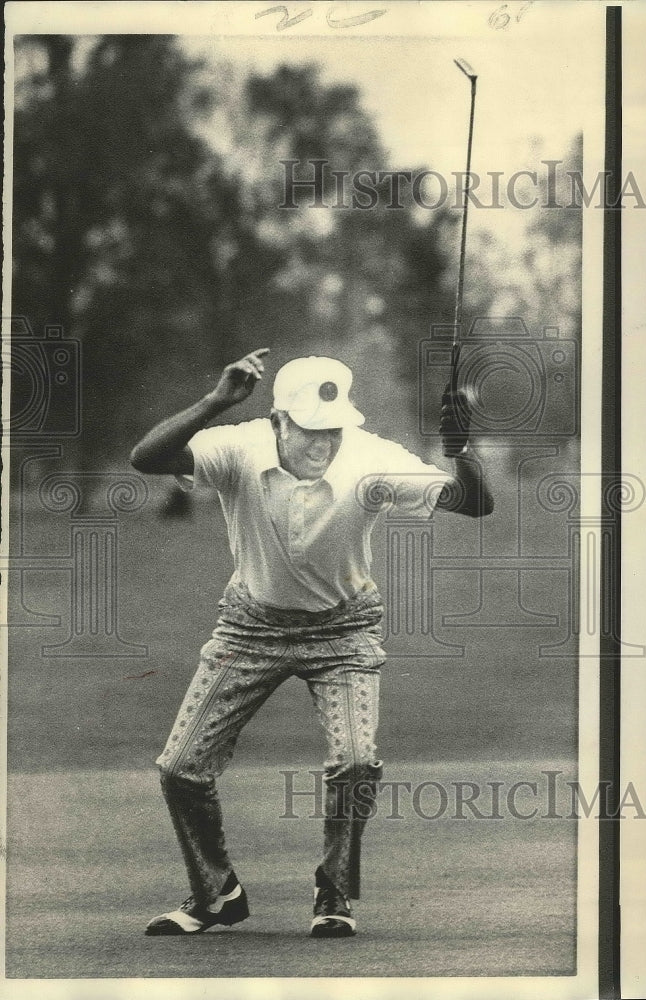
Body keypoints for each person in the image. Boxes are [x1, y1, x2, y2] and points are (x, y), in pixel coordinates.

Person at [129, 349, 494, 938]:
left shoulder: (371, 458)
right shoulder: (239, 445)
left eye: (333, 430)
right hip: (249, 626)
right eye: (309, 430)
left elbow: (475, 503)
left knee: (353, 762)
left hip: (344, 629)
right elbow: (147, 458)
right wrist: (217, 401)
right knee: (180, 767)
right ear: (277, 421)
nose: (323, 442)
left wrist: (460, 451)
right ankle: (216, 893)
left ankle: (336, 894)